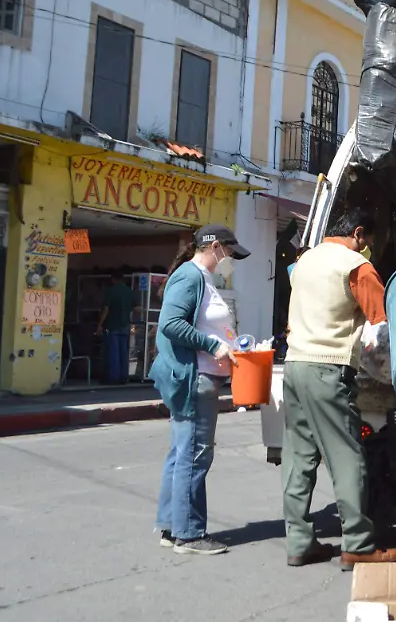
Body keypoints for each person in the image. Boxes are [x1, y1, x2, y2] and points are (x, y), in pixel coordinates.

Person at [282, 209, 396, 569]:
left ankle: (300, 542)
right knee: (347, 455)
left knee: (299, 456)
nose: (369, 250)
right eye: (369, 243)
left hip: (294, 365)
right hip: (327, 369)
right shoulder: (356, 267)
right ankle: (359, 545)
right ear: (359, 234)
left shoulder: (304, 261)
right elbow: (381, 325)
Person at [151, 224, 250, 555]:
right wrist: (214, 345)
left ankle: (171, 526)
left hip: (203, 377)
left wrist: (231, 343)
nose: (231, 261)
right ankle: (189, 534)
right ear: (216, 247)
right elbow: (171, 324)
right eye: (230, 254)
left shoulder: (204, 279)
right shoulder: (190, 277)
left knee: (182, 453)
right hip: (196, 379)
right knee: (194, 454)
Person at [96, 272, 137, 384]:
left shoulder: (111, 291)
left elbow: (106, 309)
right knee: (123, 352)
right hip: (125, 325)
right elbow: (137, 308)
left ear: (113, 279)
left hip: (112, 325)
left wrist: (99, 325)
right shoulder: (129, 292)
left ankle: (113, 377)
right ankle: (123, 376)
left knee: (113, 353)